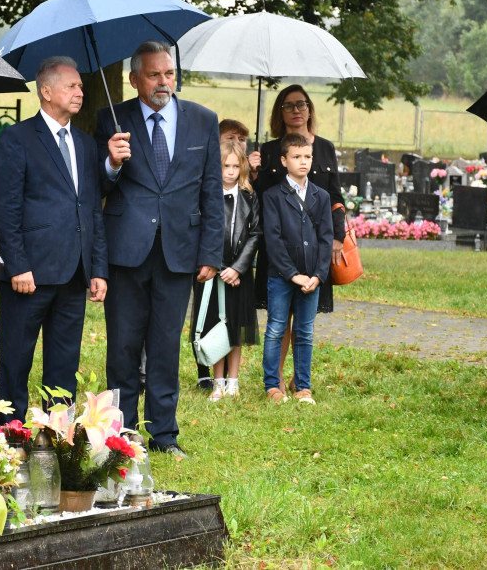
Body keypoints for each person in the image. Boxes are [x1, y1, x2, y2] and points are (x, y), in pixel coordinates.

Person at [97, 40, 224, 458]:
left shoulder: (203, 121)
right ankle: (121, 433)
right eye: (153, 75)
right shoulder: (111, 119)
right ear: (135, 80)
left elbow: (210, 190)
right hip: (126, 252)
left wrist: (210, 253)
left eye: (168, 73)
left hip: (180, 251)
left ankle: (164, 435)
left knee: (167, 345)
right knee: (123, 347)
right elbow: (95, 187)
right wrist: (112, 164)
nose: (163, 82)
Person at [0, 57, 108, 423]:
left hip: (74, 273)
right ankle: (10, 439)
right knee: (16, 360)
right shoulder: (17, 138)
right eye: (72, 86)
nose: (80, 92)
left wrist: (98, 268)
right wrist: (17, 264)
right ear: (46, 90)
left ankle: (58, 438)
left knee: (64, 364)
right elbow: (4, 208)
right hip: (30, 274)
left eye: (81, 87)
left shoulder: (87, 145)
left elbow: (92, 210)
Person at [253, 86, 345, 391]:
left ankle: (299, 381)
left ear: (310, 109)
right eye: (289, 105)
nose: (296, 110)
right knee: (279, 321)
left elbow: (335, 195)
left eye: (302, 104)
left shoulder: (326, 147)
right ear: (280, 111)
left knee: (305, 321)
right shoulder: (268, 150)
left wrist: (338, 235)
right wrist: (252, 172)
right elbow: (260, 198)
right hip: (280, 248)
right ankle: (274, 379)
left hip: (316, 248)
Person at [260, 133, 333, 404]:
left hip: (312, 277)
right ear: (284, 160)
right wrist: (293, 273)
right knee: (277, 328)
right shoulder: (272, 196)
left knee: (305, 331)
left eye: (307, 157)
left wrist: (317, 275)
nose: (303, 162)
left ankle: (303, 386)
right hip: (281, 276)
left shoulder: (321, 196)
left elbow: (326, 238)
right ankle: (272, 385)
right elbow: (273, 239)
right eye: (296, 157)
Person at [191, 120, 262, 390]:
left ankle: (233, 380)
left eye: (235, 166)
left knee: (237, 327)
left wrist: (238, 268)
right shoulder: (205, 196)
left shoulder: (249, 196)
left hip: (239, 274)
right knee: (213, 325)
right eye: (225, 166)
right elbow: (202, 232)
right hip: (212, 271)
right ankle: (217, 380)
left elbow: (255, 233)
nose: (230, 172)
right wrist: (219, 267)